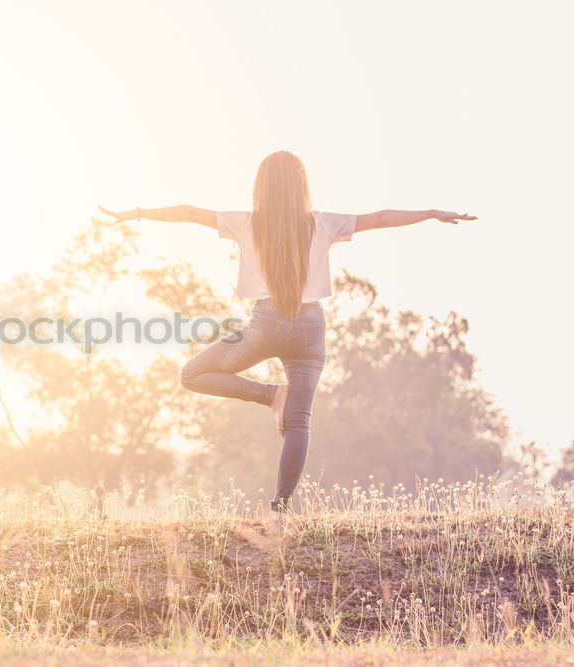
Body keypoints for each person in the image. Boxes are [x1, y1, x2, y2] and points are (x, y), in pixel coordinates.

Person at [98, 149, 476, 513]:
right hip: (311, 329)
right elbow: (378, 218)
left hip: (265, 324)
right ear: (302, 186)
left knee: (192, 374)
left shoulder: (245, 222)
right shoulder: (325, 222)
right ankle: (280, 507)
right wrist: (430, 213)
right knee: (299, 421)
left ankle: (269, 395)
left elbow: (190, 212)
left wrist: (136, 213)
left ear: (260, 186)